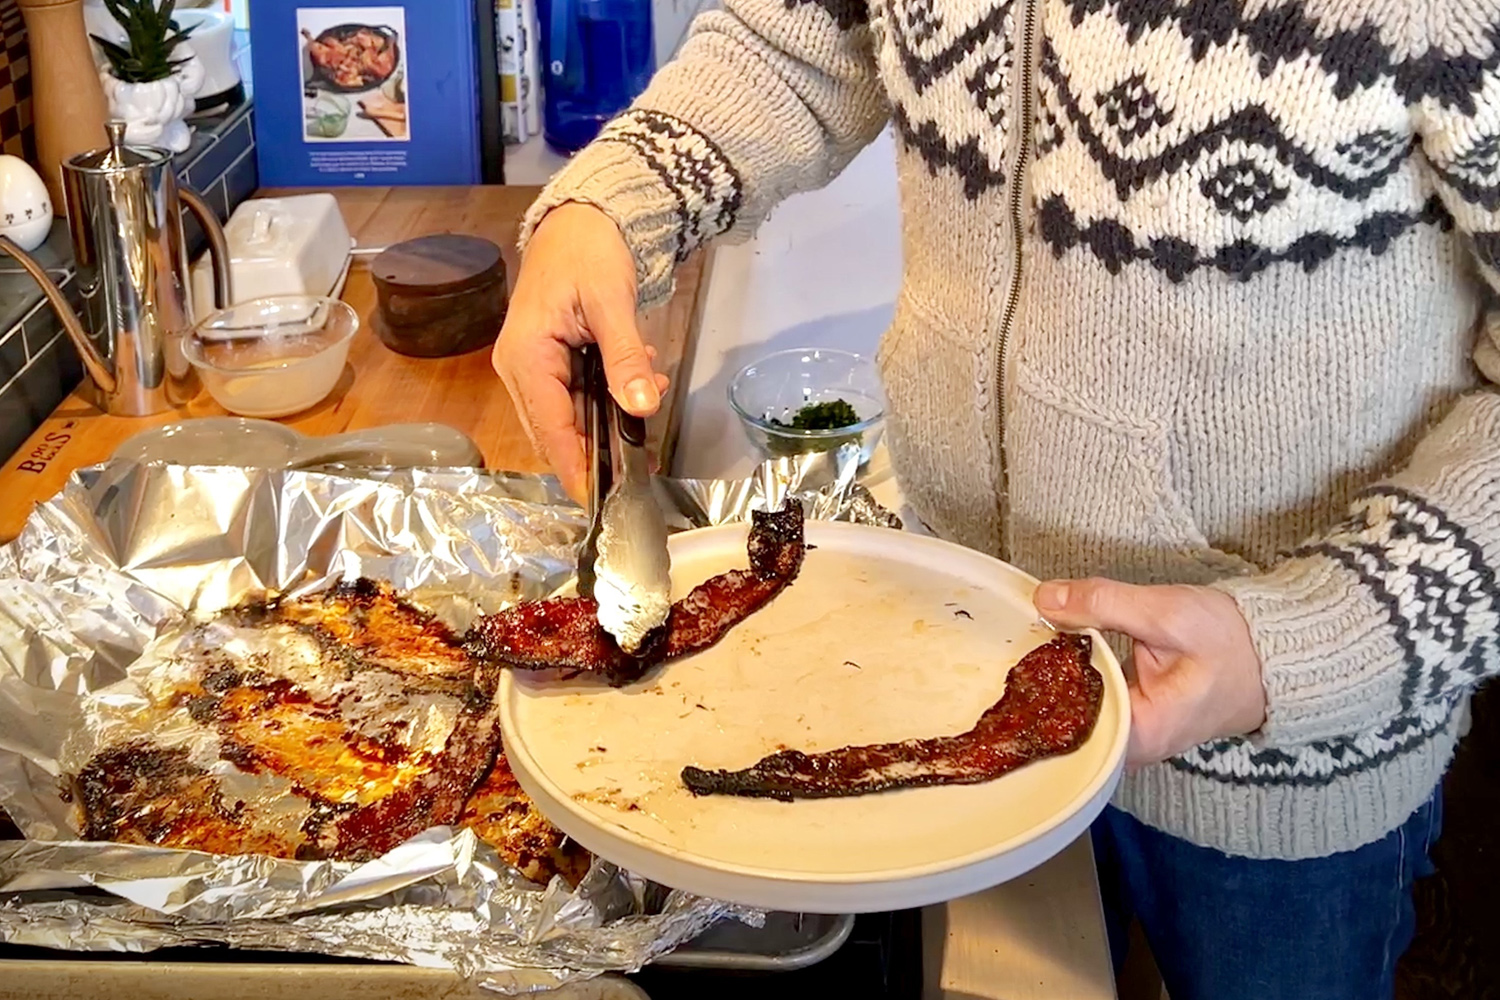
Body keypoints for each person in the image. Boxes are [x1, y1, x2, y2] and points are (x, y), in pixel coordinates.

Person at [491, 1, 1500, 996]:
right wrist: (618, 201)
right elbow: (808, 33)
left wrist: (1319, 641)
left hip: (1287, 753)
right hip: (956, 659)